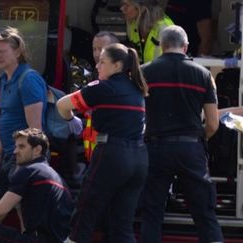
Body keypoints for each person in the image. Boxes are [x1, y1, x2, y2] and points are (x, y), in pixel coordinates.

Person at [140, 25, 223, 243]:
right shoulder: (203, 74)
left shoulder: (143, 72)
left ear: (162, 46)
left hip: (154, 148)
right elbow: (213, 124)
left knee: (152, 213)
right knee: (205, 213)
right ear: (186, 47)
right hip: (191, 148)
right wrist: (198, 139)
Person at [58, 43, 149, 242]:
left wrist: (71, 120)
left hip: (112, 154)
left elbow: (62, 105)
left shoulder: (103, 87)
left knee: (84, 214)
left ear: (117, 66)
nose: (97, 66)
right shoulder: (137, 89)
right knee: (122, 225)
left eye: (102, 62)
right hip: (139, 159)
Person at [0, 27, 48, 219]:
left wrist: (25, 164)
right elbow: (6, 119)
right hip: (9, 156)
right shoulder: (5, 79)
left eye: (2, 51)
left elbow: (35, 131)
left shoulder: (28, 80)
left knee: (24, 211)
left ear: (18, 52)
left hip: (23, 157)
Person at [0, 128, 74, 243]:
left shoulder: (29, 171)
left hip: (38, 240)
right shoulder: (55, 176)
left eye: (21, 147)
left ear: (37, 150)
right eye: (16, 146)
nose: (15, 151)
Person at [83, 31, 120, 162]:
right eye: (94, 49)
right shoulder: (96, 73)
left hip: (110, 152)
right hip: (95, 151)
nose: (97, 54)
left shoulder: (121, 82)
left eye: (101, 49)